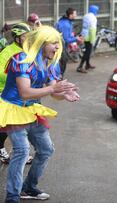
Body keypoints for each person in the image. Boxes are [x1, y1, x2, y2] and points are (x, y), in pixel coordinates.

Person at [0, 25, 79, 203]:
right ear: (41, 43)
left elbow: (53, 92)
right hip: (13, 108)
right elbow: (25, 93)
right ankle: (12, 197)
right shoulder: (21, 59)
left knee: (46, 149)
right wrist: (53, 88)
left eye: (58, 43)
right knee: (21, 151)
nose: (57, 47)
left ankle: (28, 188)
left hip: (32, 109)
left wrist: (64, 94)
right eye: (53, 43)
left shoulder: (50, 62)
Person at [0, 23, 32, 165]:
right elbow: (1, 72)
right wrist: (17, 77)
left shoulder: (27, 51)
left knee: (17, 124)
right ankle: (3, 149)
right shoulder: (7, 52)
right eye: (25, 37)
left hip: (20, 93)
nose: (28, 40)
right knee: (8, 124)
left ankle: (20, 152)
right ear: (17, 38)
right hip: (5, 93)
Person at [56, 8, 84, 77]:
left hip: (61, 46)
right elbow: (65, 39)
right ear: (70, 15)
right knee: (62, 62)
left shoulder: (67, 22)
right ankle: (59, 78)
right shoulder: (65, 24)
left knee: (63, 61)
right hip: (59, 46)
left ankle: (59, 77)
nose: (76, 15)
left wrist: (75, 37)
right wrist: (76, 39)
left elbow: (68, 35)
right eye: (75, 14)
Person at [77, 5, 99, 73]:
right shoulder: (93, 18)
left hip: (84, 34)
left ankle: (87, 64)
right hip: (89, 36)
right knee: (87, 52)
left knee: (87, 50)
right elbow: (92, 29)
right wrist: (93, 39)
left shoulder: (86, 15)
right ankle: (80, 67)